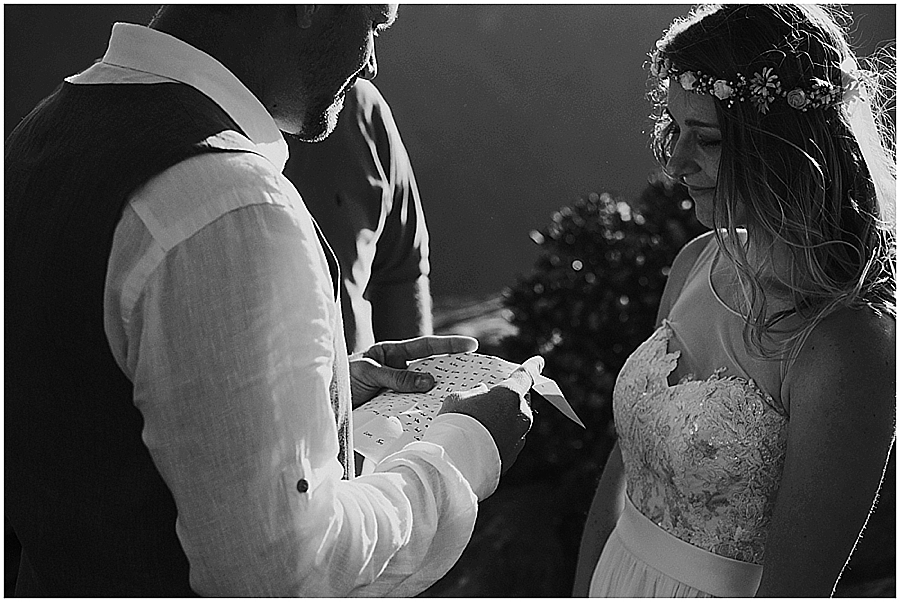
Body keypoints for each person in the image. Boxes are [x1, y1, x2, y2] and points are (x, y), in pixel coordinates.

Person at [5, 5, 538, 596]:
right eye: (375, 22)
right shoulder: (235, 208)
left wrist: (323, 395)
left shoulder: (40, 136)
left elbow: (91, 404)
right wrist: (464, 449)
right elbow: (288, 574)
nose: (373, 64)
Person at [573, 4, 895, 598]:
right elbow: (626, 463)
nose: (675, 163)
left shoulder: (845, 345)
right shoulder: (695, 262)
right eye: (673, 130)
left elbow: (796, 588)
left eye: (709, 139)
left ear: (784, 145)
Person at [285, 79, 432, 353]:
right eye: (368, 33)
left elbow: (400, 269)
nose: (372, 66)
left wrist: (410, 387)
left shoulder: (360, 107)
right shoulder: (194, 120)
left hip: (364, 394)